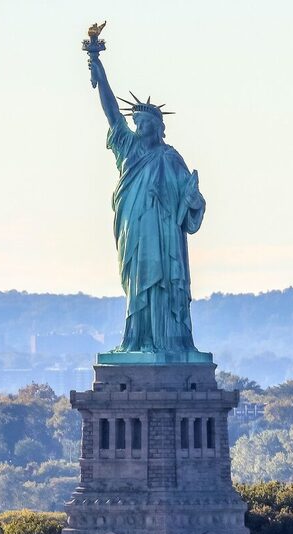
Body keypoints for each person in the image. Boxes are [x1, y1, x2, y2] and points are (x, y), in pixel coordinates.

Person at [86, 47, 207, 357]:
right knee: (138, 284)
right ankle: (138, 340)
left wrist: (193, 198)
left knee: (163, 286)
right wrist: (101, 74)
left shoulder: (170, 158)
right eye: (137, 124)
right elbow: (113, 114)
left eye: (145, 125)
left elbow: (189, 202)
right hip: (135, 232)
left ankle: (167, 343)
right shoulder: (128, 149)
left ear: (158, 128)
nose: (139, 129)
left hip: (164, 239)